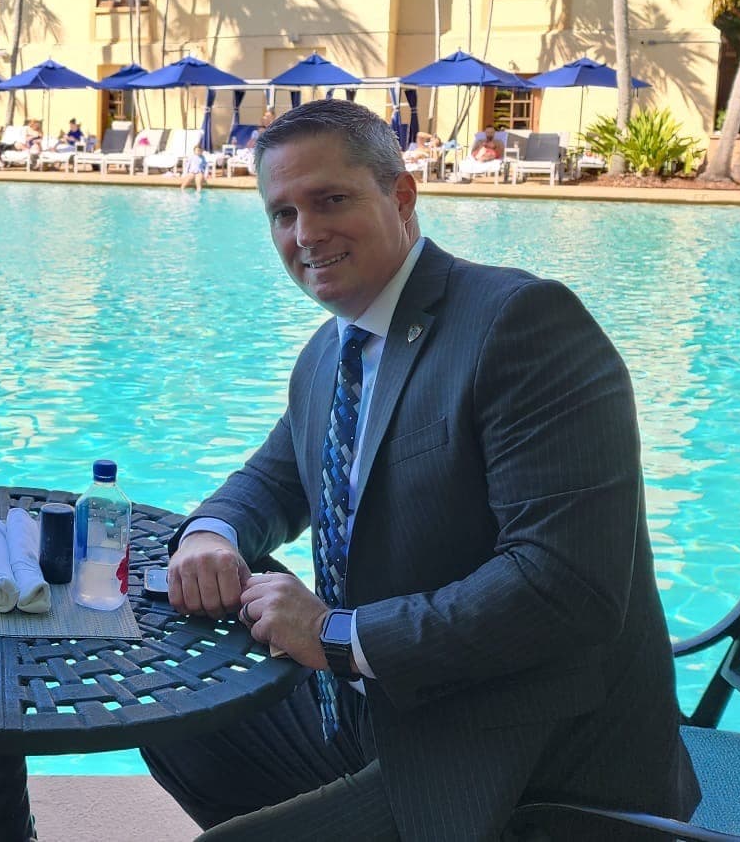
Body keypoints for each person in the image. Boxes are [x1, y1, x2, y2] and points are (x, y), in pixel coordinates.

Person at [145, 100, 698, 840]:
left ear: (401, 196)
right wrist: (211, 534)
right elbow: (275, 479)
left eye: (330, 200)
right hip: (382, 711)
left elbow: (565, 587)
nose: (306, 235)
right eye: (282, 214)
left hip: (524, 757)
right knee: (174, 721)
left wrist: (336, 635)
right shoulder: (331, 353)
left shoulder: (520, 324)